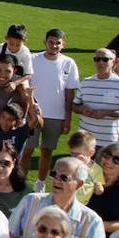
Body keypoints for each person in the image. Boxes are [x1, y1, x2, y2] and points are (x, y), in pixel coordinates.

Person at [9, 156, 106, 238]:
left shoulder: (91, 220)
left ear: (79, 184)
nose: (56, 180)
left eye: (64, 178)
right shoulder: (30, 201)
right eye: (54, 174)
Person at [22, 29, 80, 177]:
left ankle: (40, 183)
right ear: (45, 42)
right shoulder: (33, 59)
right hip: (32, 114)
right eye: (51, 42)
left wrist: (67, 119)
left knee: (47, 151)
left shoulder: (69, 63)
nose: (54, 46)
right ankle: (20, 181)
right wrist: (30, 108)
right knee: (27, 149)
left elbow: (69, 93)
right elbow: (25, 86)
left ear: (63, 44)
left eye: (57, 43)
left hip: (56, 116)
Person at [73, 48, 119, 150]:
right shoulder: (85, 83)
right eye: (97, 59)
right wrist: (82, 109)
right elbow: (74, 106)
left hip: (107, 142)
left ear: (114, 62)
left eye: (105, 59)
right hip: (83, 140)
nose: (100, 62)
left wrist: (108, 113)